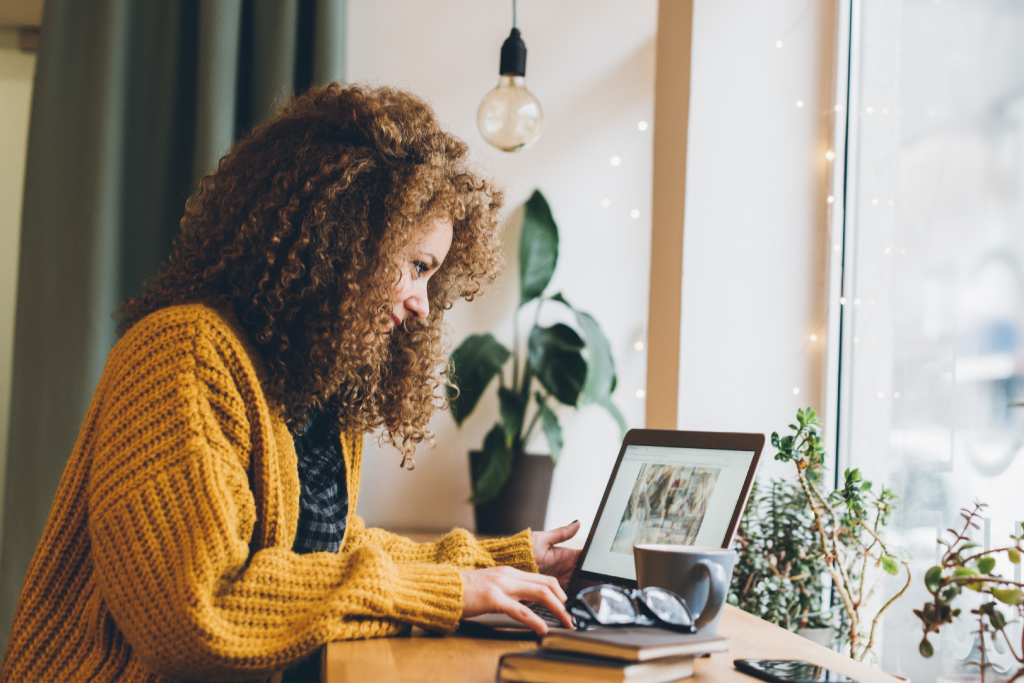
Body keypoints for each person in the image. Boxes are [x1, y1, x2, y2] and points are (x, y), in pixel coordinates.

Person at [0, 83, 580, 683]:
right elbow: (201, 613)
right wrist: (447, 593)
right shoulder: (183, 353)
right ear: (343, 237)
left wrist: (505, 562)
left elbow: (328, 557)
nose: (422, 304)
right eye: (415, 266)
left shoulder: (311, 380)